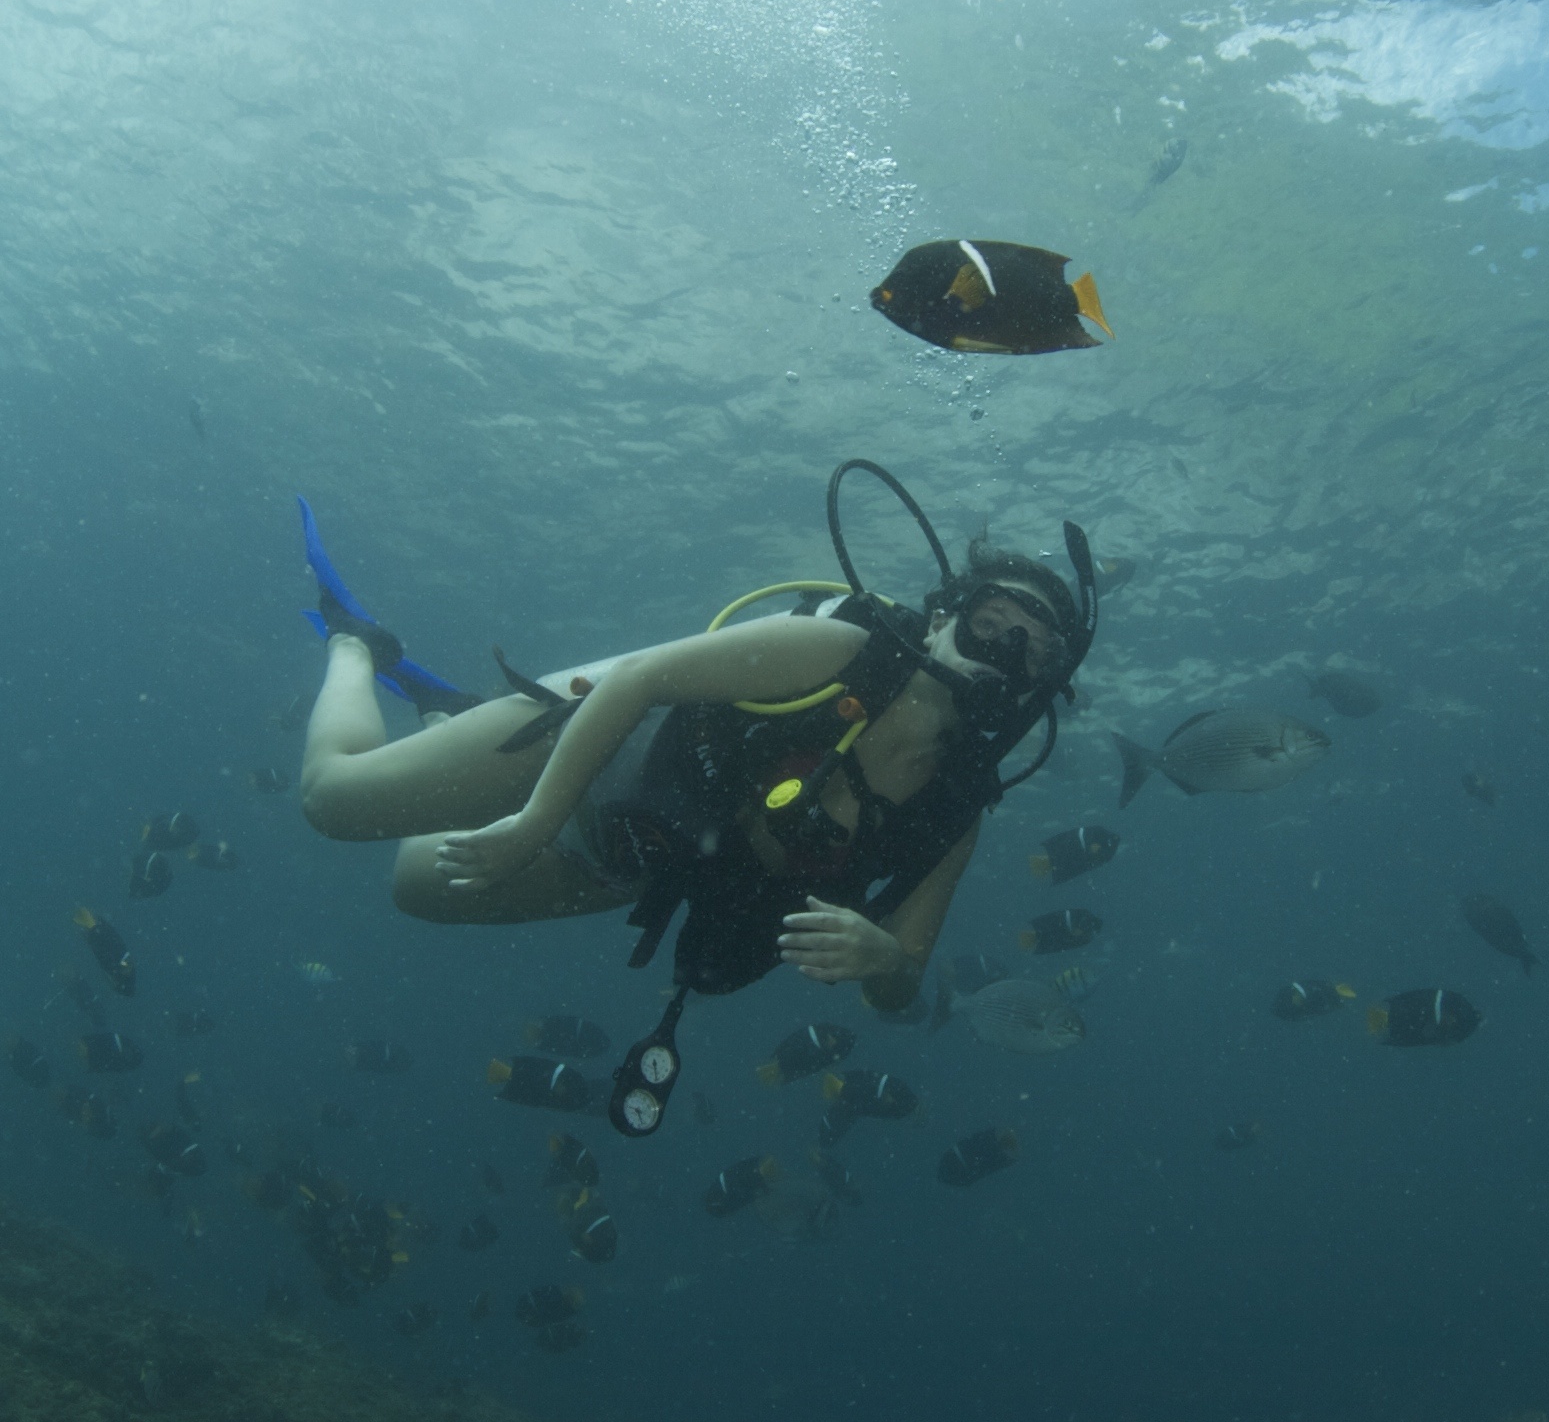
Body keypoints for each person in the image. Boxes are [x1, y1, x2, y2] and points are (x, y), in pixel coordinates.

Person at [292, 466, 1096, 1129]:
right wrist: (534, 822)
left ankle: (441, 713)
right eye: (994, 622)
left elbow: (902, 985)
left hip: (625, 856)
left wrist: (882, 954)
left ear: (1044, 688)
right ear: (944, 615)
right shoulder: (842, 651)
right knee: (332, 804)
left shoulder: (955, 806)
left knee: (414, 888)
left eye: (1035, 651)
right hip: (583, 742)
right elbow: (645, 678)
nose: (1005, 654)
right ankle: (358, 648)